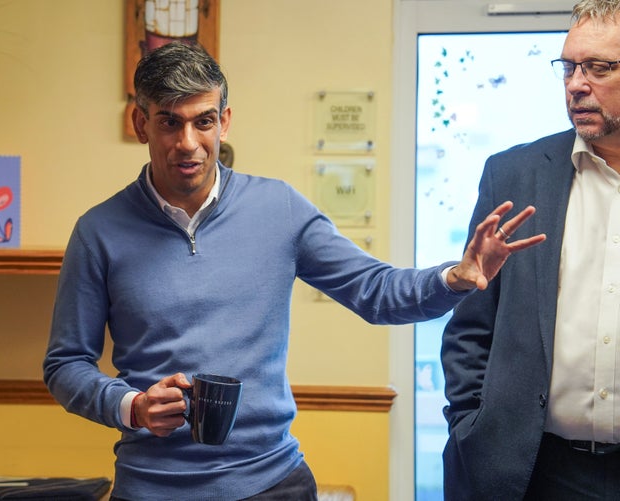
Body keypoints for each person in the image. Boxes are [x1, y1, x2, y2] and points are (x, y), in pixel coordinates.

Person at [43, 41, 543, 501]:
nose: (189, 143)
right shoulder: (98, 231)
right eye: (170, 122)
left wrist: (453, 277)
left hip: (272, 483)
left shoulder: (279, 208)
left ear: (225, 121)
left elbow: (376, 291)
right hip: (153, 486)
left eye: (204, 121)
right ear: (140, 124)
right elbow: (65, 365)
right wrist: (130, 406)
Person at [441, 1, 620, 499]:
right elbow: (470, 326)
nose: (576, 83)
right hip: (533, 469)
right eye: (569, 67)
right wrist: (470, 423)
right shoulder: (514, 175)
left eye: (599, 67)